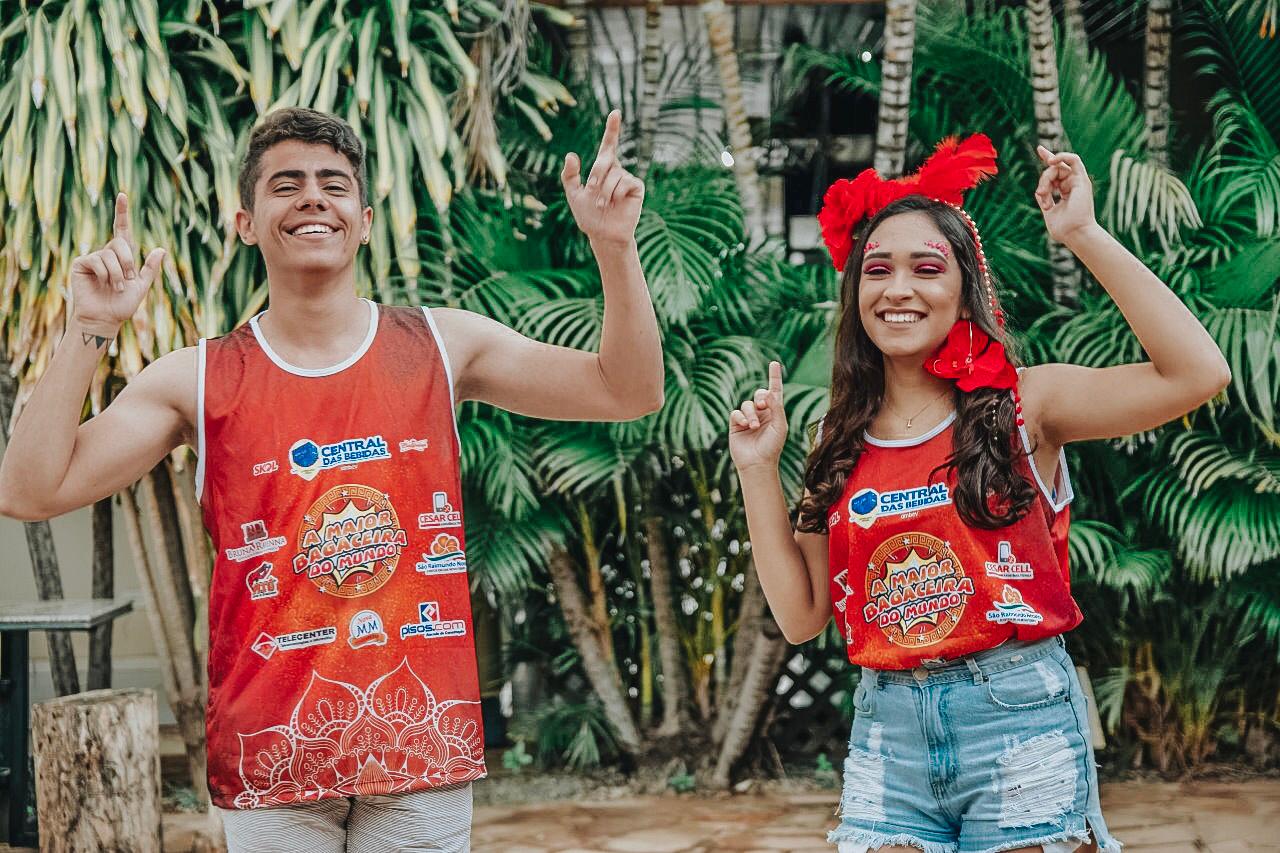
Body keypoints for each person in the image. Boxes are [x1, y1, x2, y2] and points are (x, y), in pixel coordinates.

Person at [0, 106, 662, 852]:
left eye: (334, 184)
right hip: (272, 757)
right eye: (286, 185)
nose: (313, 197)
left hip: (422, 747)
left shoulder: (443, 345)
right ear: (246, 223)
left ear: (365, 221)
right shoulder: (197, 377)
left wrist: (614, 248)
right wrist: (89, 328)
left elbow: (628, 390)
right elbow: (28, 491)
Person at [727, 135, 1230, 853]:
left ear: (966, 288)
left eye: (927, 268)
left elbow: (1197, 373)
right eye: (877, 269)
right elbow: (802, 616)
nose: (898, 288)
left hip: (1018, 721)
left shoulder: (1028, 404)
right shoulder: (835, 439)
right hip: (888, 735)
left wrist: (1082, 233)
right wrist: (756, 469)